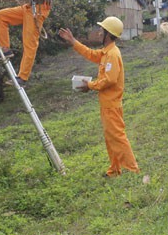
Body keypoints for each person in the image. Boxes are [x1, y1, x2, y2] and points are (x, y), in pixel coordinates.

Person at [59, 17, 140, 178]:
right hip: (107, 104)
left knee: (117, 137)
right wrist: (73, 41)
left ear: (108, 34)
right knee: (111, 138)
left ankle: (132, 170)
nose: (99, 32)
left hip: (111, 105)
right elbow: (90, 54)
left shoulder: (112, 54)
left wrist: (89, 85)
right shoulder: (106, 52)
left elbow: (110, 80)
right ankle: (115, 169)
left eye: (102, 30)